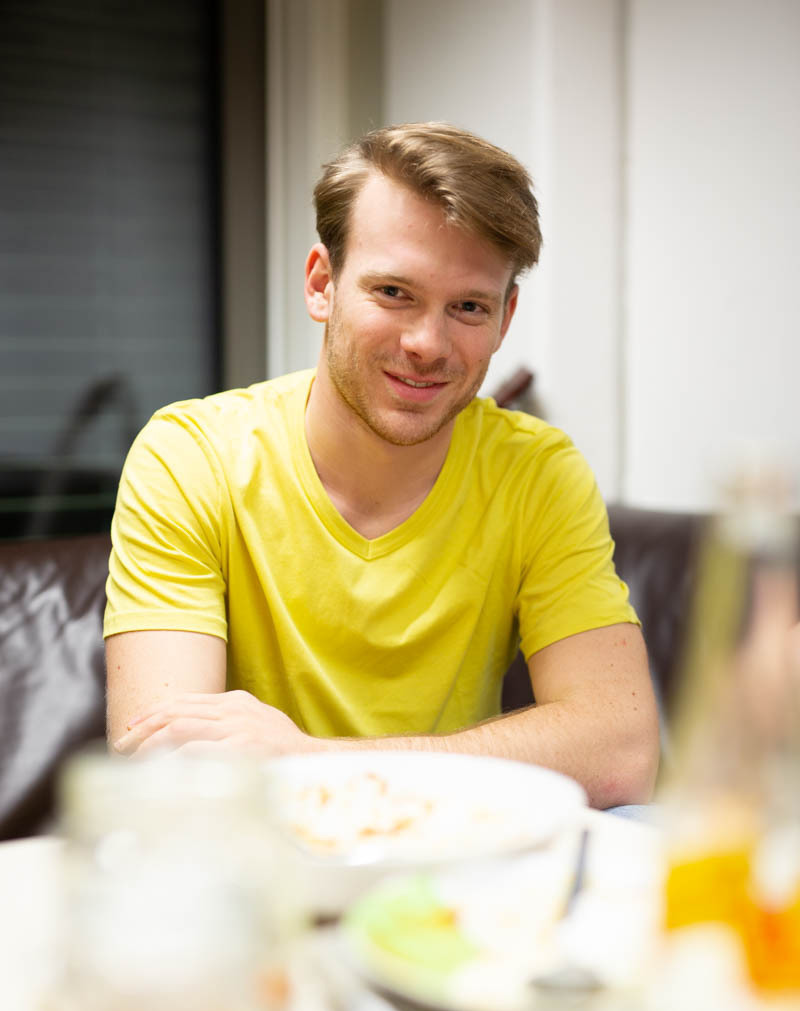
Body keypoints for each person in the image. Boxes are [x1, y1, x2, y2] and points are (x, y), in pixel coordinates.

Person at [106, 122, 659, 808]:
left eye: (468, 307)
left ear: (505, 318)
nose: (428, 343)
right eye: (394, 292)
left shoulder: (537, 473)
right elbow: (164, 770)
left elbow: (621, 752)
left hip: (454, 857)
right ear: (322, 284)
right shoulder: (190, 458)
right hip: (261, 858)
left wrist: (317, 763)